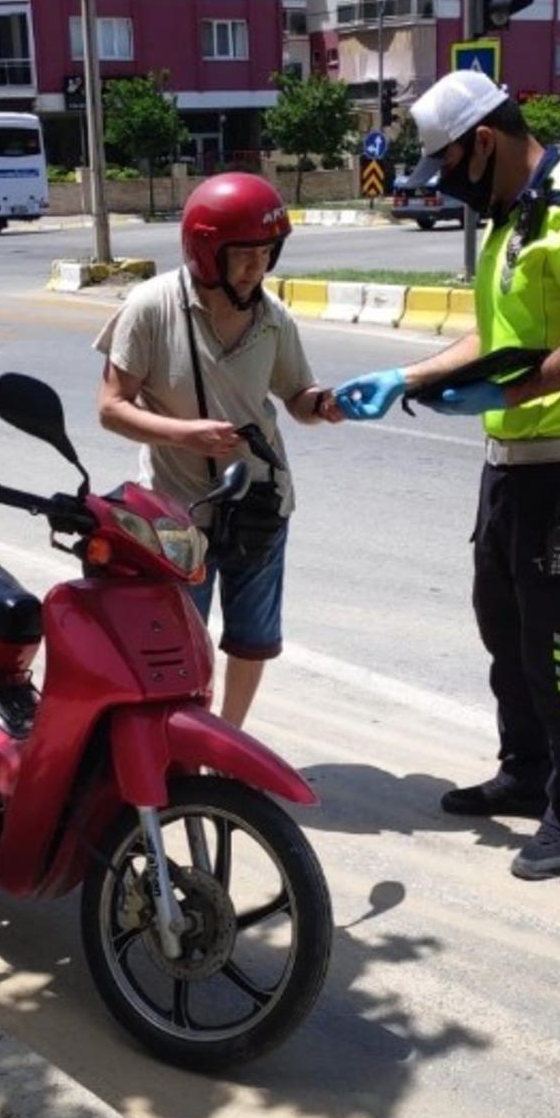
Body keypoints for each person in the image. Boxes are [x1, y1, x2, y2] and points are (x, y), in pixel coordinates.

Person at [335, 69, 560, 880]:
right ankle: (526, 773)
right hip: (508, 472)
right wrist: (410, 378)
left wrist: (517, 387)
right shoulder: (511, 223)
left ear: (484, 142)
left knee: (559, 645)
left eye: (453, 170)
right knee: (504, 632)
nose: (452, 189)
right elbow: (487, 337)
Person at [96, 173, 343, 729]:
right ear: (208, 253)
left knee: (253, 640)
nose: (258, 269)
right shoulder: (152, 307)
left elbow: (295, 397)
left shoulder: (273, 319)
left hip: (259, 504)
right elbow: (111, 407)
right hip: (178, 516)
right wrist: (186, 435)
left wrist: (322, 403)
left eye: (266, 254)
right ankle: (182, 738)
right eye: (245, 256)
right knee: (181, 643)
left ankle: (226, 741)